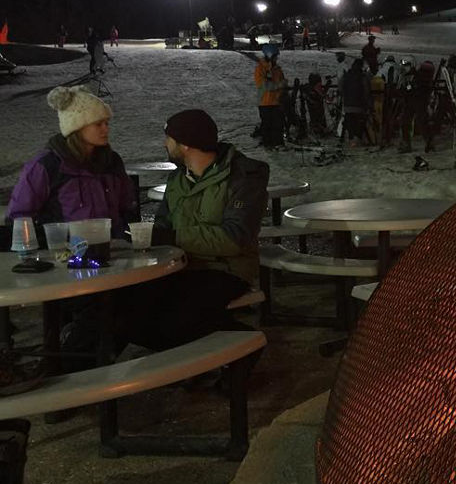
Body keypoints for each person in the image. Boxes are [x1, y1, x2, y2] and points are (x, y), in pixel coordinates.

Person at [61, 110, 268, 358]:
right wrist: (142, 238)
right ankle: (80, 366)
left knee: (166, 321)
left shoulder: (242, 177)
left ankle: (241, 342)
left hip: (226, 270)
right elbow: (163, 224)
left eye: (169, 138)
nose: (164, 144)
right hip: (180, 267)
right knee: (119, 305)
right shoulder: (178, 179)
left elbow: (235, 238)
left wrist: (170, 237)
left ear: (186, 145)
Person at [6, 86, 135, 238]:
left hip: (111, 247)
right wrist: (46, 243)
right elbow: (19, 216)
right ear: (77, 127)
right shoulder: (47, 166)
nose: (105, 129)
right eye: (98, 124)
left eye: (107, 123)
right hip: (65, 249)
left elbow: (126, 206)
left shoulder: (111, 162)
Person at [254, 43, 286, 147]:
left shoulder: (277, 69)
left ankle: (278, 143)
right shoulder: (261, 69)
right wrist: (280, 85)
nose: (277, 59)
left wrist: (283, 89)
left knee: (278, 124)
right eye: (275, 56)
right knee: (267, 125)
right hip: (265, 102)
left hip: (277, 101)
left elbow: (282, 83)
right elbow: (264, 86)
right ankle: (268, 144)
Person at [340, 59, 371, 146]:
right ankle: (358, 138)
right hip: (359, 105)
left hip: (347, 105)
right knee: (359, 121)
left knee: (349, 120)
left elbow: (340, 87)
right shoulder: (362, 77)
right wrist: (367, 103)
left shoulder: (346, 75)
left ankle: (351, 138)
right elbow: (366, 91)